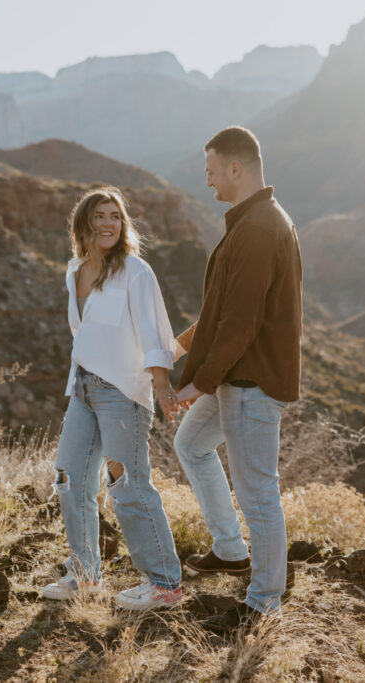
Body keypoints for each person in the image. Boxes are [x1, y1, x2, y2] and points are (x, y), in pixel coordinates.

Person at [173, 126, 303, 632]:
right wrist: (175, 347)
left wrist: (194, 384)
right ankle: (230, 549)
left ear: (235, 168)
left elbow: (239, 325)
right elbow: (219, 313)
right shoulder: (254, 221)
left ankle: (264, 603)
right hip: (234, 379)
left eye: (210, 171)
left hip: (249, 384)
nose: (207, 182)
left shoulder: (258, 229)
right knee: (193, 445)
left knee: (258, 493)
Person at [42, 186, 184, 611]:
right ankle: (84, 576)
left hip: (122, 392)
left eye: (115, 217)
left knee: (127, 484)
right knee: (69, 480)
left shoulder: (135, 272)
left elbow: (155, 332)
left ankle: (164, 584)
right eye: (100, 216)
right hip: (83, 388)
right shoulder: (75, 270)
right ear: (83, 225)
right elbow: (84, 333)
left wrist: (161, 387)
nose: (108, 223)